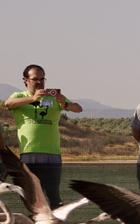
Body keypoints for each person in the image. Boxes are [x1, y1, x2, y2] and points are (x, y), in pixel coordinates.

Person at [3, 64, 83, 207]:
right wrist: (33, 98)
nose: (40, 82)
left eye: (42, 79)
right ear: (25, 80)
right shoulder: (19, 96)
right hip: (29, 154)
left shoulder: (54, 99)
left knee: (53, 197)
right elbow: (8, 104)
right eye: (35, 79)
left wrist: (63, 101)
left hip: (52, 154)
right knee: (32, 199)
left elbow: (78, 109)